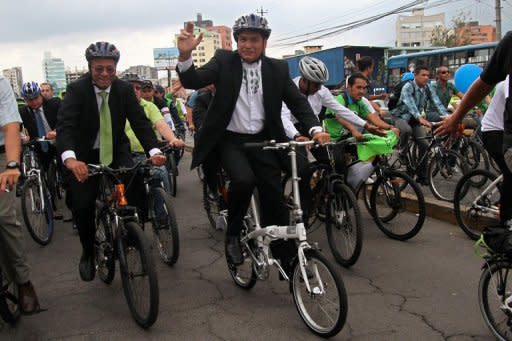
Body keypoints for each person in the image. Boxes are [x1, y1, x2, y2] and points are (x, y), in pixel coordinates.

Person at [176, 14, 329, 271]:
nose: (248, 45)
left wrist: (315, 128)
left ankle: (286, 257)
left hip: (264, 139)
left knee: (274, 196)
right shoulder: (224, 62)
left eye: (254, 40)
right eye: (243, 39)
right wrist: (184, 57)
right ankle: (233, 234)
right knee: (244, 180)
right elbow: (193, 80)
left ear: (265, 42)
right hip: (230, 140)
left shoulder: (277, 69)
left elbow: (297, 101)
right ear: (236, 42)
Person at [56, 41, 165, 282]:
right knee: (83, 205)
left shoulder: (124, 90)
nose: (105, 74)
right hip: (84, 156)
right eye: (99, 69)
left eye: (110, 68)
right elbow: (65, 127)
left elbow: (139, 123)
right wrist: (71, 159)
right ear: (90, 67)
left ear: (116, 68)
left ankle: (132, 234)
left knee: (134, 183)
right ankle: (87, 252)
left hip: (116, 151)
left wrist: (154, 150)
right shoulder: (77, 90)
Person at [436, 31, 512, 227]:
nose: (447, 75)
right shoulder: (509, 49)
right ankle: (503, 232)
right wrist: (454, 118)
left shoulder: (452, 88)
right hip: (497, 131)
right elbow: (481, 87)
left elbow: (471, 94)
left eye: (448, 73)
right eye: (443, 73)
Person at [0, 74, 40, 314]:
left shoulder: (1, 84)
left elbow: (11, 126)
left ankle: (23, 282)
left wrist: (12, 165)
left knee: (3, 216)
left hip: (2, 154)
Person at [390, 65, 449, 185]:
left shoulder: (428, 88)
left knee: (424, 144)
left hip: (414, 119)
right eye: (423, 75)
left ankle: (422, 176)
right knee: (406, 130)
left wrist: (447, 116)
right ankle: (402, 152)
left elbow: (436, 102)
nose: (426, 78)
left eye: (428, 75)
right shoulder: (408, 87)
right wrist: (419, 117)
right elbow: (410, 103)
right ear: (415, 76)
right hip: (400, 116)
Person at [19, 81, 64, 220]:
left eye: (35, 98)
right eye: (29, 100)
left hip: (58, 142)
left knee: (67, 173)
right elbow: (17, 128)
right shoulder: (23, 112)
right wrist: (22, 136)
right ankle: (49, 205)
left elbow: (66, 121)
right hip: (40, 145)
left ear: (40, 95)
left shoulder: (54, 104)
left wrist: (57, 131)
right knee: (39, 174)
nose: (33, 102)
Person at [324, 72, 399, 141]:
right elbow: (339, 117)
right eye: (358, 87)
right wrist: (353, 130)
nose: (362, 91)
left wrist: (390, 127)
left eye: (364, 88)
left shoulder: (360, 102)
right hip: (333, 142)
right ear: (349, 87)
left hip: (348, 139)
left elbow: (374, 118)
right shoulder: (340, 99)